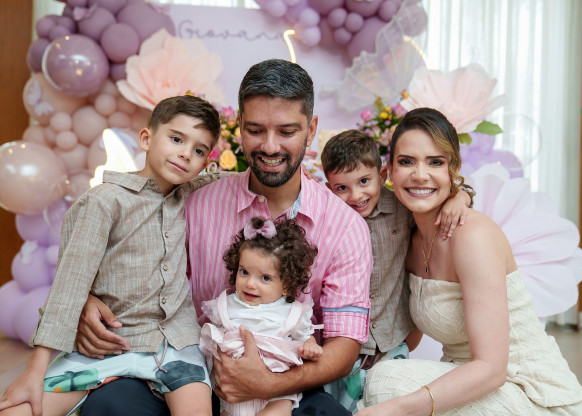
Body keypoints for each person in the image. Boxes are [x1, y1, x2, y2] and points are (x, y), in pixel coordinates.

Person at [73, 58, 373, 416]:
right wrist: (86, 299)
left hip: (284, 386)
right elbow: (129, 259)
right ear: (240, 127)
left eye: (287, 131)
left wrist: (267, 384)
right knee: (111, 405)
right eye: (256, 130)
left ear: (311, 130)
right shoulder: (195, 202)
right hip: (185, 376)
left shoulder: (345, 227)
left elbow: (344, 347)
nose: (270, 146)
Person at [0, 95, 222, 416]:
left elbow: (236, 181)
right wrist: (35, 369)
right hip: (107, 347)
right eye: (176, 139)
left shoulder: (190, 195)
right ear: (146, 138)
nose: (186, 154)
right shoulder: (104, 202)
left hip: (175, 346)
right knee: (18, 411)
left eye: (199, 150)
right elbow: (70, 285)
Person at [356, 107, 582, 415]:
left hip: (527, 391)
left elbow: (491, 369)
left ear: (454, 168)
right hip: (468, 381)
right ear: (389, 171)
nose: (420, 174)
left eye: (435, 162)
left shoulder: (472, 236)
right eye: (406, 161)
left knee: (386, 384)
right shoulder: (406, 237)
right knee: (378, 379)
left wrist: (399, 407)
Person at [320, 129, 472, 412]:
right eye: (342, 188)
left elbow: (439, 203)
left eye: (364, 181)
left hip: (391, 339)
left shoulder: (402, 208)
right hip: (344, 343)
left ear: (382, 175)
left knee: (388, 403)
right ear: (329, 188)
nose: (356, 195)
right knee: (340, 407)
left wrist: (460, 197)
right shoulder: (329, 220)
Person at [199, 216, 323, 416]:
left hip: (276, 392)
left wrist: (310, 345)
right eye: (244, 272)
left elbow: (304, 335)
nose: (250, 284)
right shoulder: (226, 305)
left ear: (286, 285)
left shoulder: (290, 312)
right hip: (232, 387)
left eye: (265, 278)